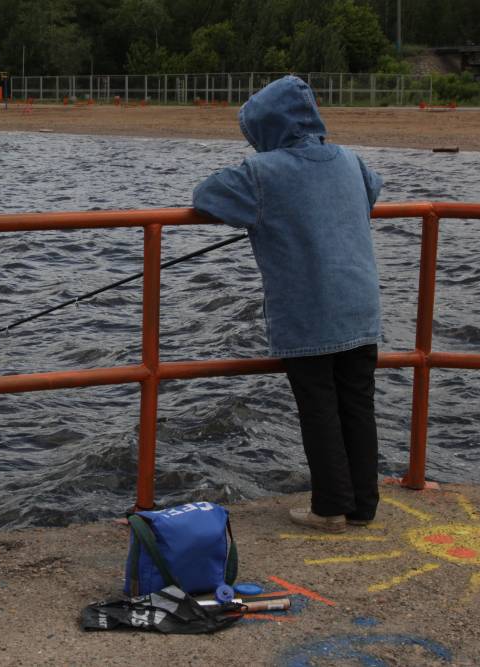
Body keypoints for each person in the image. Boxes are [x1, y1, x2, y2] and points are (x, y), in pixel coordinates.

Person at [192, 75, 383, 533]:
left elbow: (206, 196)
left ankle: (330, 507)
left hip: (309, 311)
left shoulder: (263, 172)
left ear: (263, 128)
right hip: (361, 303)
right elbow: (372, 192)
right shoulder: (350, 160)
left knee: (318, 405)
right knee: (357, 404)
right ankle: (362, 504)